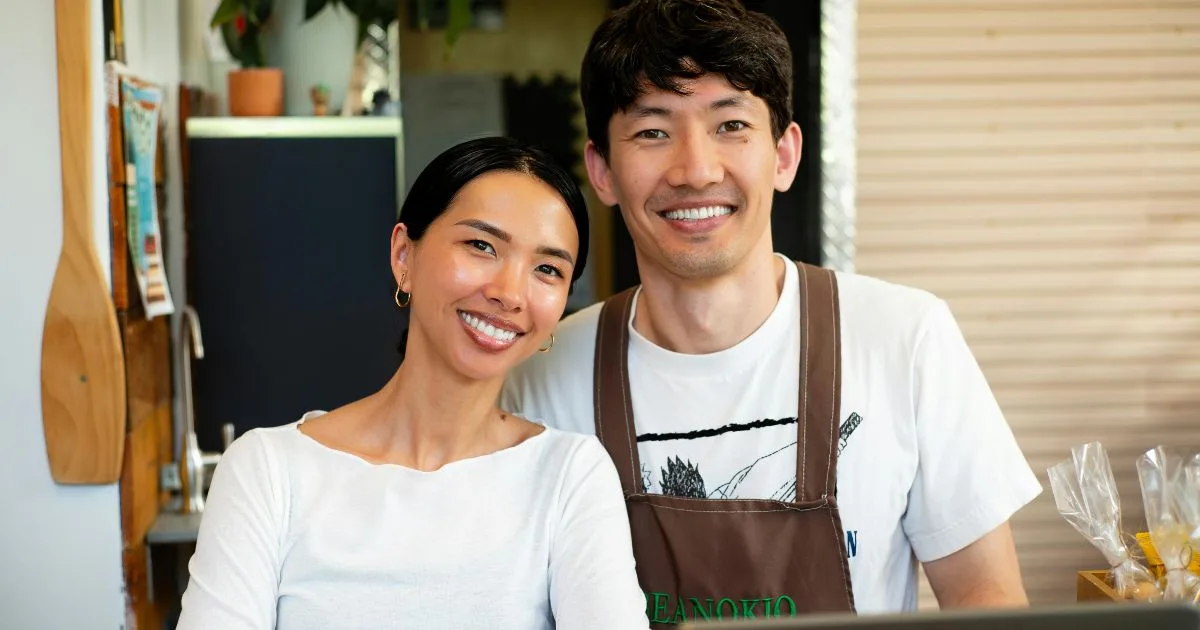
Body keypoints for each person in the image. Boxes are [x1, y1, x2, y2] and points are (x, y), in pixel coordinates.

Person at [500, 0, 1043, 624]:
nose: (696, 170)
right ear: (601, 169)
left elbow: (986, 598)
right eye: (653, 130)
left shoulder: (906, 339)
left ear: (784, 155)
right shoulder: (541, 375)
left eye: (730, 126)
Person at [177, 137, 650, 630]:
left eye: (547, 270)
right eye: (481, 245)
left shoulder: (570, 477)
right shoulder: (268, 472)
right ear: (404, 254)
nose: (510, 294)